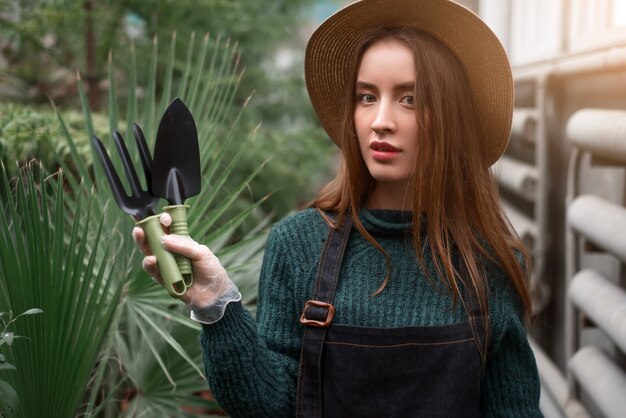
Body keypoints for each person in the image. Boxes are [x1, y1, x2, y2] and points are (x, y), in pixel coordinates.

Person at [133, 0, 542, 416]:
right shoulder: (298, 245)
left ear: (451, 117)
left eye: (410, 99)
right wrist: (215, 303)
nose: (381, 120)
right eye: (367, 97)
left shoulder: (487, 263)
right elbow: (271, 407)